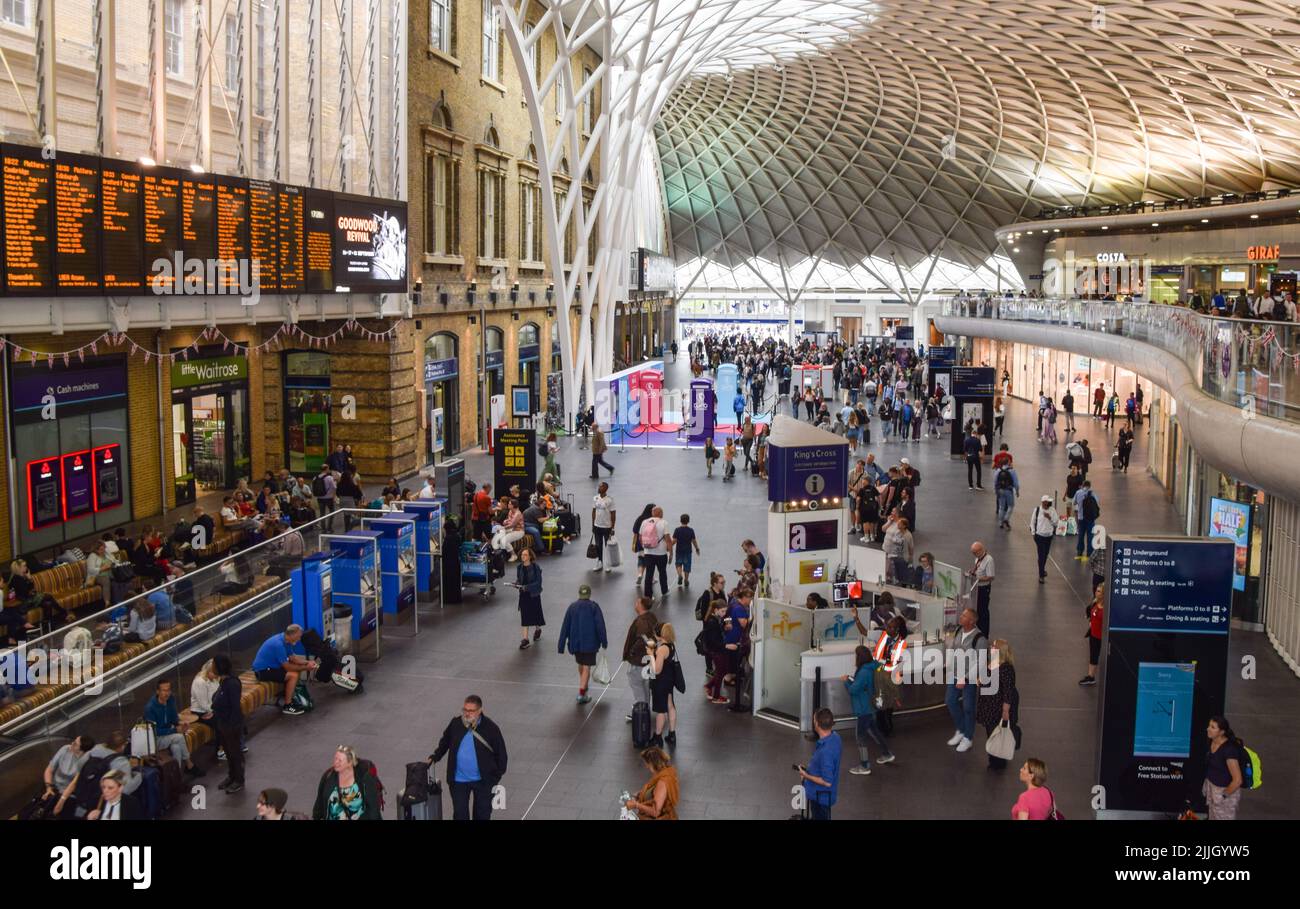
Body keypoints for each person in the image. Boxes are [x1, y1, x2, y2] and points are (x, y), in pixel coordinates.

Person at [430, 695, 508, 821]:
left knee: (482, 815)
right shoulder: (456, 724)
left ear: (480, 711)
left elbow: (501, 754)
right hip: (459, 781)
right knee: (460, 815)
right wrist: (435, 757)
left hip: (483, 782)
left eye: (471, 711)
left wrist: (495, 777)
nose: (467, 713)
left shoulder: (491, 728)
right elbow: (445, 742)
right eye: (465, 710)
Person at [843, 645, 894, 774]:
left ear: (859, 657)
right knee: (874, 731)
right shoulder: (874, 666)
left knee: (860, 737)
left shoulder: (864, 672)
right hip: (872, 706)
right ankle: (886, 754)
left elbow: (853, 690)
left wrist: (846, 681)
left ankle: (864, 766)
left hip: (863, 708)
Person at [557, 584, 608, 704]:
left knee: (581, 664)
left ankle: (583, 685)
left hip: (575, 643)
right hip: (590, 643)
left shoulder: (572, 607)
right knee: (586, 667)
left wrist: (561, 645)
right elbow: (600, 626)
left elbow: (565, 627)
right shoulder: (594, 607)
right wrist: (604, 641)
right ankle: (581, 693)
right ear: (589, 594)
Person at [252, 624, 318, 716]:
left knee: (295, 668)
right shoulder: (278, 644)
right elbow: (288, 667)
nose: (299, 639)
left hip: (272, 667)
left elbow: (293, 658)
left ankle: (290, 695)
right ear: (292, 634)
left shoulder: (285, 640)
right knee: (293, 675)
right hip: (262, 671)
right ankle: (287, 706)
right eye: (298, 637)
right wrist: (306, 667)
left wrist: (308, 662)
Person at [945, 608, 986, 754]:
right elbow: (952, 648)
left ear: (972, 621)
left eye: (964, 616)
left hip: (969, 678)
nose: (960, 617)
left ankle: (968, 738)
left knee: (968, 708)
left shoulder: (979, 638)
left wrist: (966, 677)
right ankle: (961, 730)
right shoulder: (958, 631)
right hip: (955, 673)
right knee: (950, 701)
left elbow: (980, 662)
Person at [143, 680, 204, 777]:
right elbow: (154, 732)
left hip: (168, 734)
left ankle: (177, 777)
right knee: (179, 737)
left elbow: (173, 718)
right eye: (164, 690)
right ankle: (189, 764)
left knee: (176, 748)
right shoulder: (150, 708)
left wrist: (180, 724)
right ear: (158, 692)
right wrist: (175, 730)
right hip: (155, 739)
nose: (167, 693)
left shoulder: (170, 699)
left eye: (168, 690)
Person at [978, 639, 1019, 769]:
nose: (991, 647)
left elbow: (1008, 692)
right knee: (991, 733)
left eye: (994, 646)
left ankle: (998, 761)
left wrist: (1005, 710)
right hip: (987, 705)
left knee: (997, 733)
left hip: (997, 707)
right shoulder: (992, 663)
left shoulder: (1006, 669)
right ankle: (993, 758)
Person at [312, 745, 382, 820]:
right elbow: (319, 803)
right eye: (335, 758)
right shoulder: (328, 776)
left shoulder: (364, 778)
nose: (336, 762)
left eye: (340, 760)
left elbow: (373, 809)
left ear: (350, 763)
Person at [210, 654, 246, 793]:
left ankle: (239, 780)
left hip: (231, 726)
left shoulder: (232, 683)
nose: (212, 667)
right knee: (228, 752)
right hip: (222, 723)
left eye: (214, 664)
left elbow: (235, 707)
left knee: (235, 753)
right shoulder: (223, 682)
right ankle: (231, 776)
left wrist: (231, 725)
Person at [798, 707, 842, 820]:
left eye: (814, 720)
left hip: (820, 797)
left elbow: (827, 782)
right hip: (825, 796)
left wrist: (806, 776)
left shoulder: (825, 751)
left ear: (817, 724)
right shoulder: (835, 737)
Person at [622, 595, 660, 718]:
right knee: (645, 685)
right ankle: (645, 709)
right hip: (649, 659)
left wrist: (632, 652)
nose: (635, 603)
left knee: (637, 685)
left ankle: (641, 712)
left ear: (641, 606)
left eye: (637, 602)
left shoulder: (642, 621)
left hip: (639, 661)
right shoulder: (652, 617)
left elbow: (643, 639)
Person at [1203, 716, 1244, 820]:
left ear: (1221, 732)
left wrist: (1223, 796)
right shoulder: (1212, 741)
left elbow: (1237, 780)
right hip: (1212, 788)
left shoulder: (1229, 750)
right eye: (1209, 725)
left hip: (1224, 793)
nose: (1208, 729)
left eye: (1212, 727)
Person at [647, 623, 681, 747]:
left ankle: (657, 737)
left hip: (660, 682)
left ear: (659, 635)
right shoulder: (671, 645)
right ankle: (672, 734)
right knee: (670, 705)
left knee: (661, 710)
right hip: (669, 680)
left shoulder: (662, 649)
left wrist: (651, 654)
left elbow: (657, 670)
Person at [624, 746, 680, 820]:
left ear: (652, 763)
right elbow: (655, 793)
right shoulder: (664, 773)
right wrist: (641, 794)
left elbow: (655, 812)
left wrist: (636, 805)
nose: (646, 766)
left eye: (647, 763)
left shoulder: (662, 782)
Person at [640, 506, 673, 600]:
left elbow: (640, 537)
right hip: (661, 553)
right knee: (662, 572)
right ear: (661, 513)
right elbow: (668, 539)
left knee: (649, 574)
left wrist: (645, 548)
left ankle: (648, 596)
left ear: (652, 513)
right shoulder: (663, 522)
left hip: (648, 553)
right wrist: (671, 552)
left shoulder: (645, 522)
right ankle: (664, 590)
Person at [515, 547, 545, 649]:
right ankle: (525, 639)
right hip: (523, 595)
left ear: (530, 556)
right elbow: (519, 579)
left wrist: (527, 587)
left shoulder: (536, 567)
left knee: (536, 614)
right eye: (522, 555)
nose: (523, 556)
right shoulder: (519, 567)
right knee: (525, 617)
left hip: (534, 594)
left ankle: (537, 629)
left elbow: (538, 583)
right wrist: (517, 584)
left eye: (525, 555)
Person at [967, 542, 995, 637]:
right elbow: (979, 571)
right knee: (977, 610)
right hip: (977, 587)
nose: (974, 555)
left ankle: (984, 634)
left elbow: (991, 577)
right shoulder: (978, 558)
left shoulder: (989, 560)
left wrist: (978, 578)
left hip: (984, 588)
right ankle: (978, 631)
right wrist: (973, 573)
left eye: (975, 552)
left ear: (980, 550)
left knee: (983, 612)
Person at [1030, 494, 1059, 584]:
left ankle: (1042, 570)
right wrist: (1033, 533)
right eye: (1047, 502)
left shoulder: (1052, 510)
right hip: (1039, 536)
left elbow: (1056, 523)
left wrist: (1049, 518)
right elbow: (1032, 522)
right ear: (1043, 502)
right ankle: (1041, 575)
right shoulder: (1037, 510)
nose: (1049, 503)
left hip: (1049, 536)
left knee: (1045, 554)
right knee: (1041, 555)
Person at [1080, 583, 1104, 686]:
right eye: (1096, 590)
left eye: (1099, 591)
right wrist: (1090, 621)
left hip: (1102, 638)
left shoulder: (1106, 609)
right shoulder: (1094, 603)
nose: (1096, 592)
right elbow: (1089, 612)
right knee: (1093, 656)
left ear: (1104, 594)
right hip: (1094, 635)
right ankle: (1091, 676)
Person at [591, 482, 616, 573]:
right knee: (598, 545)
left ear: (605, 488)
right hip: (597, 526)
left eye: (601, 486)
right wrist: (593, 524)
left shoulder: (610, 500)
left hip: (607, 526)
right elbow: (593, 511)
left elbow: (613, 514)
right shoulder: (595, 498)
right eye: (599, 486)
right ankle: (600, 562)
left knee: (607, 546)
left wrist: (612, 528)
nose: (599, 487)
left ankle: (608, 564)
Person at [882, 515, 914, 586]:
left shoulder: (908, 535)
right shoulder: (897, 532)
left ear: (904, 526)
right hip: (895, 557)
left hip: (903, 558)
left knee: (903, 575)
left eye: (899, 524)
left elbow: (911, 548)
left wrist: (910, 560)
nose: (897, 524)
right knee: (894, 573)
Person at [672, 514, 700, 588]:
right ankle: (686, 580)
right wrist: (697, 548)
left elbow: (674, 540)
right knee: (687, 566)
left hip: (679, 550)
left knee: (678, 564)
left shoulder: (677, 530)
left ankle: (680, 575)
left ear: (680, 520)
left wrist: (669, 547)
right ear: (688, 521)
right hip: (688, 551)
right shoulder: (691, 530)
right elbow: (693, 541)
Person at [1075, 481, 1100, 559]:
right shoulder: (1092, 494)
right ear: (1089, 486)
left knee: (1081, 535)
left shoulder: (1078, 493)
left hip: (1081, 518)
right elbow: (1097, 502)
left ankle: (1079, 551)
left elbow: (1074, 502)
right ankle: (1089, 553)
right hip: (1090, 519)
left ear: (1083, 485)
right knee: (1090, 536)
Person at [993, 460, 1019, 530]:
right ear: (1008, 463)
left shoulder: (998, 470)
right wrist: (1017, 491)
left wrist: (996, 490)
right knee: (1011, 506)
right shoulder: (1012, 471)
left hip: (1000, 490)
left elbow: (995, 481)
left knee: (1001, 507)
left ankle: (1000, 523)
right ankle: (1006, 519)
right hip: (1009, 491)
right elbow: (1016, 483)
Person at [313, 464, 338, 532]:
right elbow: (334, 487)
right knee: (332, 512)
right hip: (328, 498)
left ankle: (323, 529)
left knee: (322, 513)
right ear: (326, 469)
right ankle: (329, 527)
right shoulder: (329, 478)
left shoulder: (315, 477)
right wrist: (334, 496)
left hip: (320, 498)